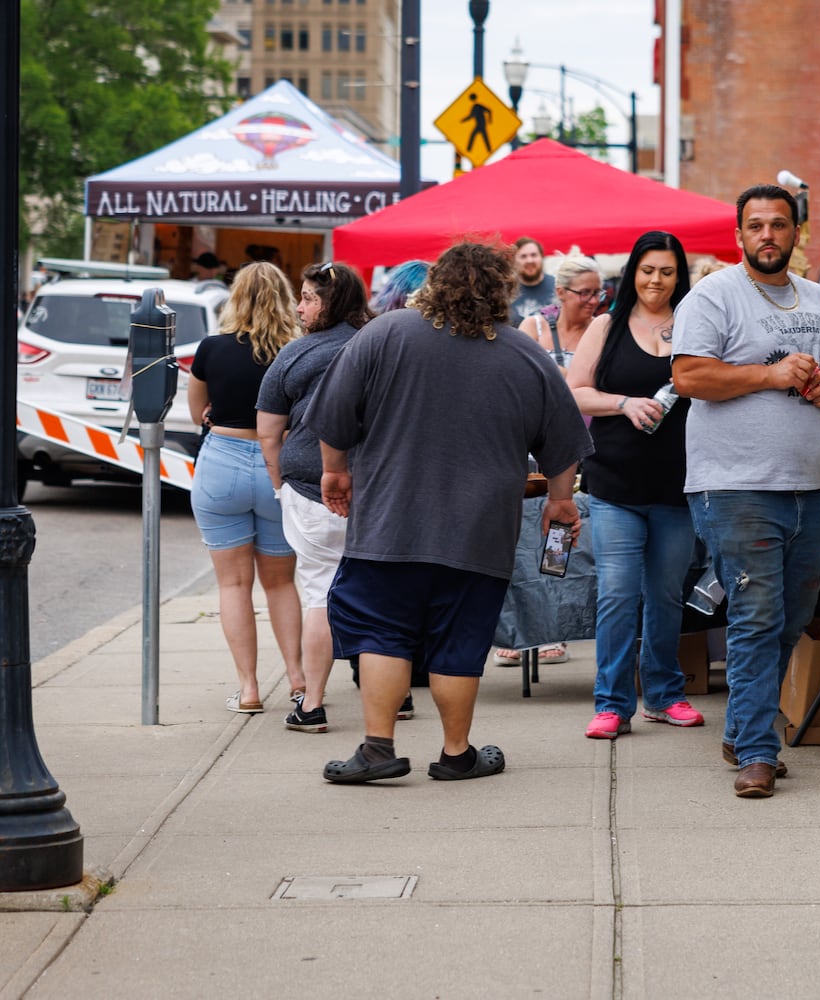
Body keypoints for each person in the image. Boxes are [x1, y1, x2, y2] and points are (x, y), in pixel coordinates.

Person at [306, 241, 593, 784]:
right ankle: (456, 753)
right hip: (479, 529)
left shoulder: (385, 334)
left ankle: (377, 749)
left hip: (391, 520)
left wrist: (335, 470)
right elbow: (563, 444)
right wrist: (560, 501)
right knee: (460, 638)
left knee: (383, 632)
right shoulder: (524, 353)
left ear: (433, 283)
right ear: (502, 291)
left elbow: (334, 415)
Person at [673, 184, 820, 798]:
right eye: (755, 225)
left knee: (789, 620)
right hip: (735, 487)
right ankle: (760, 753)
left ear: (795, 234)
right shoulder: (713, 296)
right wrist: (771, 374)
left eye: (778, 225)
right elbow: (688, 375)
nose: (767, 235)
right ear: (739, 236)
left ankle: (742, 727)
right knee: (757, 619)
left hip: (811, 488)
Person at [567, 231, 703, 740]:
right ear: (633, 272)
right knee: (619, 595)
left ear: (679, 276)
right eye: (648, 270)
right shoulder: (607, 325)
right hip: (615, 486)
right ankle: (612, 703)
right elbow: (575, 392)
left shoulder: (695, 324)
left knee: (666, 596)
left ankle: (665, 694)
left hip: (678, 486)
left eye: (667, 272)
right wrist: (624, 403)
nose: (656, 281)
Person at [258, 262, 404, 734]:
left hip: (309, 486)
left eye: (308, 298)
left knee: (321, 591)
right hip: (378, 488)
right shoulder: (382, 346)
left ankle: (313, 704)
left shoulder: (297, 354)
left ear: (331, 303)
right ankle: (394, 697)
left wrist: (280, 485)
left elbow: (268, 432)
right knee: (380, 592)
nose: (299, 308)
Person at [187, 262, 305, 715]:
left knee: (233, 584)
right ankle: (298, 680)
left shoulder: (211, 349)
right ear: (285, 298)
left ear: (235, 298)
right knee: (281, 584)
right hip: (280, 466)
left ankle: (250, 688)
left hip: (221, 462)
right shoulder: (296, 350)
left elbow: (200, 410)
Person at [495, 252, 604, 667]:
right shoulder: (534, 328)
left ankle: (551, 627)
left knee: (563, 546)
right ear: (559, 293)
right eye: (585, 293)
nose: (594, 300)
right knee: (526, 542)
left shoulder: (602, 331)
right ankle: (522, 629)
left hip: (587, 453)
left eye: (599, 292)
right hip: (535, 455)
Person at [510, 237, 555, 321]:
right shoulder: (505, 291)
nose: (529, 260)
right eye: (523, 256)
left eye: (534, 255)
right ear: (514, 261)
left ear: (542, 257)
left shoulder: (557, 286)